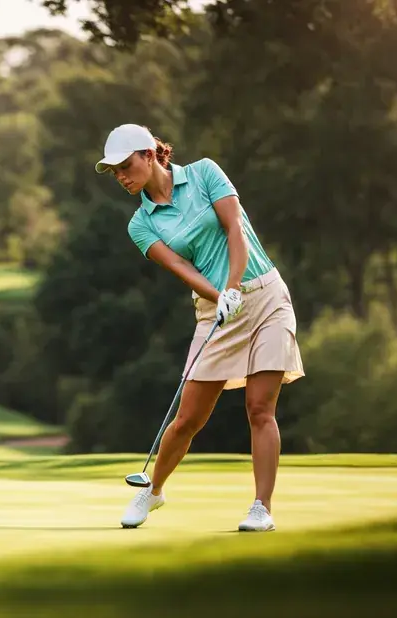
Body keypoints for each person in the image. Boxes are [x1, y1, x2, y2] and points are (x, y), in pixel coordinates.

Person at [94, 124, 305, 532]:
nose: (121, 176)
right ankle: (153, 490)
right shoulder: (140, 224)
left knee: (260, 408)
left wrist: (234, 286)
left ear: (150, 155)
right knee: (188, 418)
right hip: (215, 313)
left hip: (266, 298)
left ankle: (262, 508)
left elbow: (234, 230)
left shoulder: (206, 173)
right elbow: (180, 267)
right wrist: (219, 296)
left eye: (125, 165)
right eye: (114, 171)